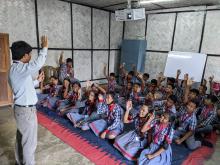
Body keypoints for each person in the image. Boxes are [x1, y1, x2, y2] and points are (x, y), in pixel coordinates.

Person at [8, 36, 48, 165]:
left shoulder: (15, 69)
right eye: (30, 55)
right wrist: (44, 48)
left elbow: (25, 85)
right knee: (29, 144)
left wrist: (38, 81)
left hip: (21, 109)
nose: (31, 57)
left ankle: (19, 162)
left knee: (21, 139)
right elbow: (38, 63)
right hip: (26, 111)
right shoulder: (20, 68)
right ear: (24, 56)